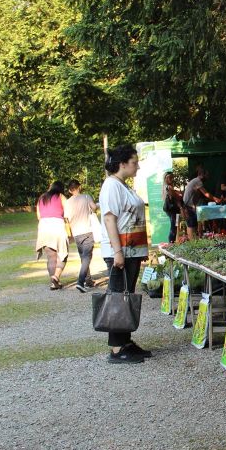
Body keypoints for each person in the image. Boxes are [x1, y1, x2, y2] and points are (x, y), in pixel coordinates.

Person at [99, 144, 151, 364]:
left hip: (131, 252)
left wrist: (139, 250)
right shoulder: (111, 185)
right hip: (121, 252)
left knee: (126, 296)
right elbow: (109, 219)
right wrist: (117, 252)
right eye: (134, 162)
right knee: (119, 298)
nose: (137, 166)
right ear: (122, 164)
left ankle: (126, 342)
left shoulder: (122, 185)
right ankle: (117, 348)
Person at [64, 180, 97, 293]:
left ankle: (88, 280)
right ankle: (80, 281)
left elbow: (66, 218)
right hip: (87, 230)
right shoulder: (86, 197)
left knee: (84, 257)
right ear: (80, 187)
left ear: (69, 190)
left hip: (76, 233)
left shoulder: (67, 202)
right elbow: (94, 208)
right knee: (87, 257)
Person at [36, 181, 70, 290]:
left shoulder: (42, 197)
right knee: (63, 254)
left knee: (51, 256)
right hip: (57, 225)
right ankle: (56, 276)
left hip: (43, 227)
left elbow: (38, 216)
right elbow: (68, 213)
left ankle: (53, 282)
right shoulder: (61, 197)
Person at [182, 165, 221, 238]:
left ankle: (192, 241)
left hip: (188, 205)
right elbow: (206, 194)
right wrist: (216, 199)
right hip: (188, 206)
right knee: (191, 225)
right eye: (207, 175)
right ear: (202, 175)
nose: (208, 177)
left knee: (191, 224)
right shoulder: (198, 181)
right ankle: (192, 242)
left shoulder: (195, 180)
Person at [162, 172, 183, 243]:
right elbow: (177, 197)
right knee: (174, 226)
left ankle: (173, 242)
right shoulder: (169, 187)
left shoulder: (165, 187)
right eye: (169, 177)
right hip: (172, 210)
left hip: (172, 210)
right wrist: (180, 195)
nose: (171, 179)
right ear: (165, 178)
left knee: (175, 226)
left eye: (172, 177)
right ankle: (171, 242)